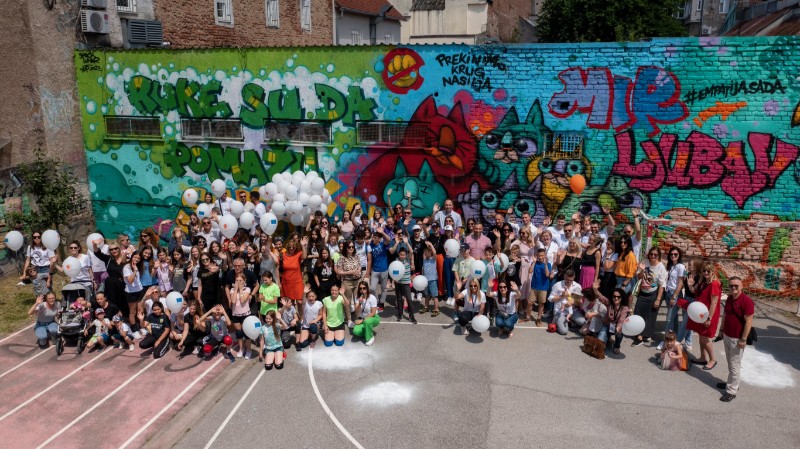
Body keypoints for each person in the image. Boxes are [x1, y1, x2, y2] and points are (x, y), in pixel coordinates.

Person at [717, 276, 754, 402]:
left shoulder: (746, 301)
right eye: (731, 285)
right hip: (727, 335)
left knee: (735, 365)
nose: (733, 288)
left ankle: (732, 390)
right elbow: (725, 315)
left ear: (742, 286)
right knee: (730, 362)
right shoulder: (729, 299)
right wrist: (721, 331)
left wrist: (743, 339)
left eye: (736, 285)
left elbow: (749, 321)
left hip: (737, 339)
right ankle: (731, 382)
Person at [686, 261, 721, 371]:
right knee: (701, 336)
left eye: (708, 271)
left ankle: (713, 359)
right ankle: (702, 357)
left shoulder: (714, 284)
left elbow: (714, 303)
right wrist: (691, 285)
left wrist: (709, 318)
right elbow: (693, 292)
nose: (706, 272)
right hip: (700, 314)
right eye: (704, 271)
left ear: (712, 272)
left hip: (708, 315)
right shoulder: (703, 282)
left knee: (705, 338)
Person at [631, 247, 667, 347]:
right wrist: (642, 270)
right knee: (638, 312)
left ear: (658, 256)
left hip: (653, 293)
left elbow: (661, 285)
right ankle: (638, 333)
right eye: (651, 254)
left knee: (650, 316)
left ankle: (643, 336)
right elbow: (640, 277)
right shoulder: (645, 262)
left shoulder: (661, 267)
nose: (653, 256)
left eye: (655, 255)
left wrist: (658, 299)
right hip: (643, 292)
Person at [658, 246, 687, 351]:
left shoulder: (680, 266)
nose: (673, 256)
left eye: (676, 254)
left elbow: (680, 283)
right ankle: (675, 341)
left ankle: (665, 341)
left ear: (679, 256)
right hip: (668, 293)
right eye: (671, 254)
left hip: (675, 294)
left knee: (669, 319)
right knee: (674, 319)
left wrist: (674, 297)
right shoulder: (671, 266)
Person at [548, 269, 583, 334]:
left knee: (583, 322)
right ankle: (561, 320)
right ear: (564, 276)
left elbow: (578, 303)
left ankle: (569, 320)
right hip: (559, 310)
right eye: (567, 280)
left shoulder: (578, 286)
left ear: (574, 277)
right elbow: (550, 299)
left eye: (570, 280)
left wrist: (573, 302)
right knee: (564, 331)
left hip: (572, 310)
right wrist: (561, 296)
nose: (568, 282)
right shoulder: (557, 285)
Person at [280, 236, 308, 319]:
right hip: (287, 282)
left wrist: (303, 246)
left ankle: (302, 319)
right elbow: (277, 267)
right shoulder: (283, 255)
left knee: (299, 302)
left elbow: (305, 256)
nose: (291, 248)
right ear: (287, 247)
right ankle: (292, 320)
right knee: (289, 303)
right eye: (290, 247)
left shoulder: (298, 254)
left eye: (293, 247)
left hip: (297, 282)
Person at [228, 273, 254, 359]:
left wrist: (241, 290)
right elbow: (234, 301)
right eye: (237, 280)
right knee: (239, 334)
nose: (238, 282)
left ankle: (249, 350)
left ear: (244, 281)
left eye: (240, 281)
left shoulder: (247, 289)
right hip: (235, 314)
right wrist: (236, 290)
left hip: (245, 314)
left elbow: (243, 300)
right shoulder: (232, 290)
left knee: (246, 334)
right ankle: (241, 349)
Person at [390, 245, 417, 324]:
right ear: (399, 254)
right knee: (399, 299)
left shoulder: (408, 260)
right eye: (401, 254)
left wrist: (406, 243)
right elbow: (394, 271)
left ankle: (411, 315)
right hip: (398, 283)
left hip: (406, 283)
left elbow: (411, 251)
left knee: (409, 299)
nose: (402, 256)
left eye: (404, 255)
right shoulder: (396, 261)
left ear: (406, 255)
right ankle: (400, 314)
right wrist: (394, 279)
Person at [366, 228, 391, 310]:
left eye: (375, 237)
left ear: (379, 239)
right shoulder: (370, 245)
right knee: (372, 288)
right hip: (375, 270)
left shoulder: (383, 244)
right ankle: (376, 301)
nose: (374, 239)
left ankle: (382, 302)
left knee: (384, 288)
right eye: (373, 237)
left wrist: (382, 232)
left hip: (384, 269)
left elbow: (388, 239)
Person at [352, 281, 379, 346]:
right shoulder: (357, 297)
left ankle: (370, 337)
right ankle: (368, 331)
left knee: (367, 322)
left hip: (373, 317)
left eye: (364, 288)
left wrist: (362, 320)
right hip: (362, 318)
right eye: (360, 288)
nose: (362, 290)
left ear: (367, 289)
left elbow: (373, 313)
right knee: (356, 331)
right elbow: (357, 312)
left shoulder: (372, 297)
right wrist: (360, 303)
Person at [123, 251, 145, 329]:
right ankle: (134, 328)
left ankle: (141, 327)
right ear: (132, 257)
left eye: (138, 258)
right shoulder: (127, 267)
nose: (136, 259)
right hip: (131, 292)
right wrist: (135, 270)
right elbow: (130, 281)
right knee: (133, 312)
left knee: (140, 310)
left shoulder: (138, 266)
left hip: (139, 290)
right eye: (135, 257)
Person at [605, 288, 629, 355]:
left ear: (622, 297)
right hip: (608, 325)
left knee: (619, 334)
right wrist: (595, 290)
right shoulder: (609, 303)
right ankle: (608, 339)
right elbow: (601, 297)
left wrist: (618, 327)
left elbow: (622, 319)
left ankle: (617, 346)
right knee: (601, 339)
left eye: (618, 297)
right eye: (614, 296)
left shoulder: (625, 308)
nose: (616, 298)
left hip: (618, 327)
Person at [418, 241, 440, 317]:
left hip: (432, 280)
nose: (425, 254)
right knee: (427, 295)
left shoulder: (433, 259)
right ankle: (426, 307)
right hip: (425, 280)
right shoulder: (424, 260)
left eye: (426, 252)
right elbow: (423, 269)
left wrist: (430, 244)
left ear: (430, 253)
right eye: (424, 252)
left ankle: (436, 309)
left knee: (435, 296)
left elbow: (434, 253)